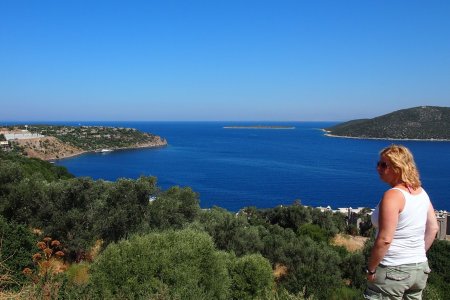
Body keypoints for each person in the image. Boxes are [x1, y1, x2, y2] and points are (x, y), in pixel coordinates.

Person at [364, 145, 439, 300]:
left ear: (398, 168)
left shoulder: (393, 196)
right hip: (419, 269)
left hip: (392, 270)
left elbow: (385, 239)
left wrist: (371, 269)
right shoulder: (421, 192)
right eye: (378, 163)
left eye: (383, 165)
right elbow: (433, 228)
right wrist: (415, 255)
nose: (378, 168)